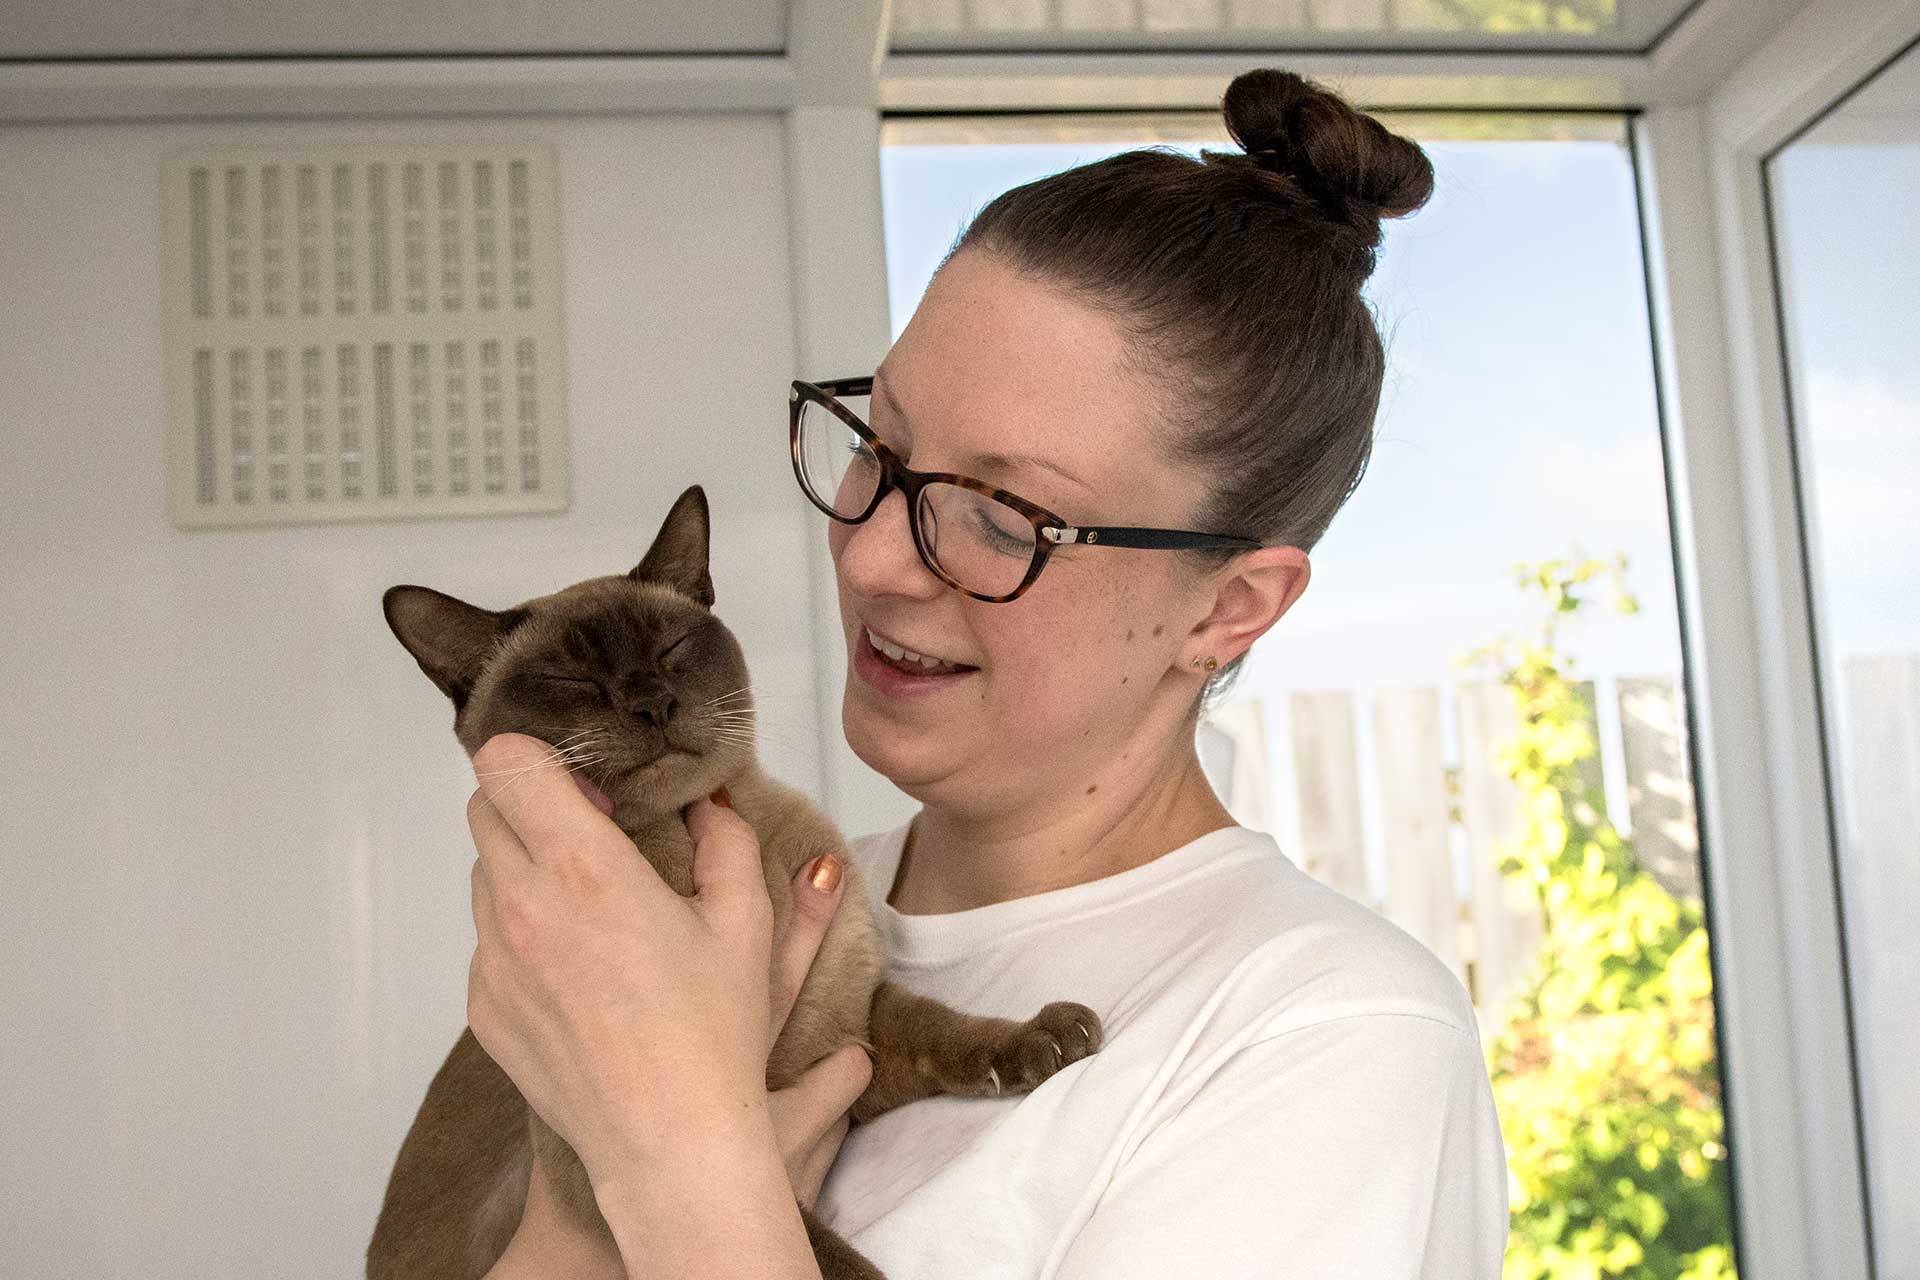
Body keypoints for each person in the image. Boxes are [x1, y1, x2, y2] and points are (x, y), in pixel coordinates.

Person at [462, 67, 1508, 1279]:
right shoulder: (751, 920)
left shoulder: (1327, 1036)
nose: (869, 555)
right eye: (878, 447)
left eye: (1006, 518)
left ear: (1229, 607)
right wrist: (581, 1209)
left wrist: (677, 1156)